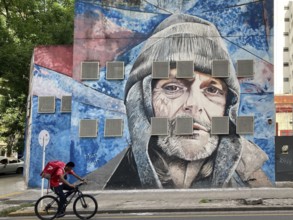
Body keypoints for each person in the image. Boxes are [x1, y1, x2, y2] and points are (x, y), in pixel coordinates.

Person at [105, 14, 272, 189]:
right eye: (172, 88)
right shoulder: (108, 181)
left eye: (212, 90)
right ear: (142, 100)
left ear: (228, 105)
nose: (194, 105)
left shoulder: (251, 177)